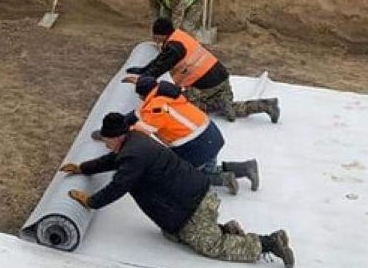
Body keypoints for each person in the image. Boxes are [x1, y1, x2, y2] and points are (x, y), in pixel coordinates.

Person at [60, 118, 294, 268]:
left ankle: (268, 243)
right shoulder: (136, 139)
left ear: (118, 137)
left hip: (190, 207)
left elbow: (118, 186)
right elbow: (114, 160)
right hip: (197, 195)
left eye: (106, 140)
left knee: (211, 247)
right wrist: (83, 168)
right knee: (174, 236)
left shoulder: (133, 155)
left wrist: (90, 201)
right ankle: (227, 230)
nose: (105, 144)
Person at [103, 76, 259, 193]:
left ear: (143, 96)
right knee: (207, 167)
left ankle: (224, 179)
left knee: (185, 175)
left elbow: (141, 131)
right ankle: (245, 167)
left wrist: (116, 134)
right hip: (211, 134)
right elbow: (136, 114)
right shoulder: (167, 95)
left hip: (196, 145)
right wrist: (122, 121)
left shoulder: (154, 109)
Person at [127, 18, 279, 123]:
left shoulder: (174, 48)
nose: (153, 38)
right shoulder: (179, 37)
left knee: (180, 104)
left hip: (206, 85)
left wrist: (142, 79)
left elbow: (160, 67)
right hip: (221, 78)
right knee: (228, 108)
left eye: (155, 35)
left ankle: (220, 104)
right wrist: (142, 69)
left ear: (162, 34)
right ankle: (264, 105)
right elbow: (160, 61)